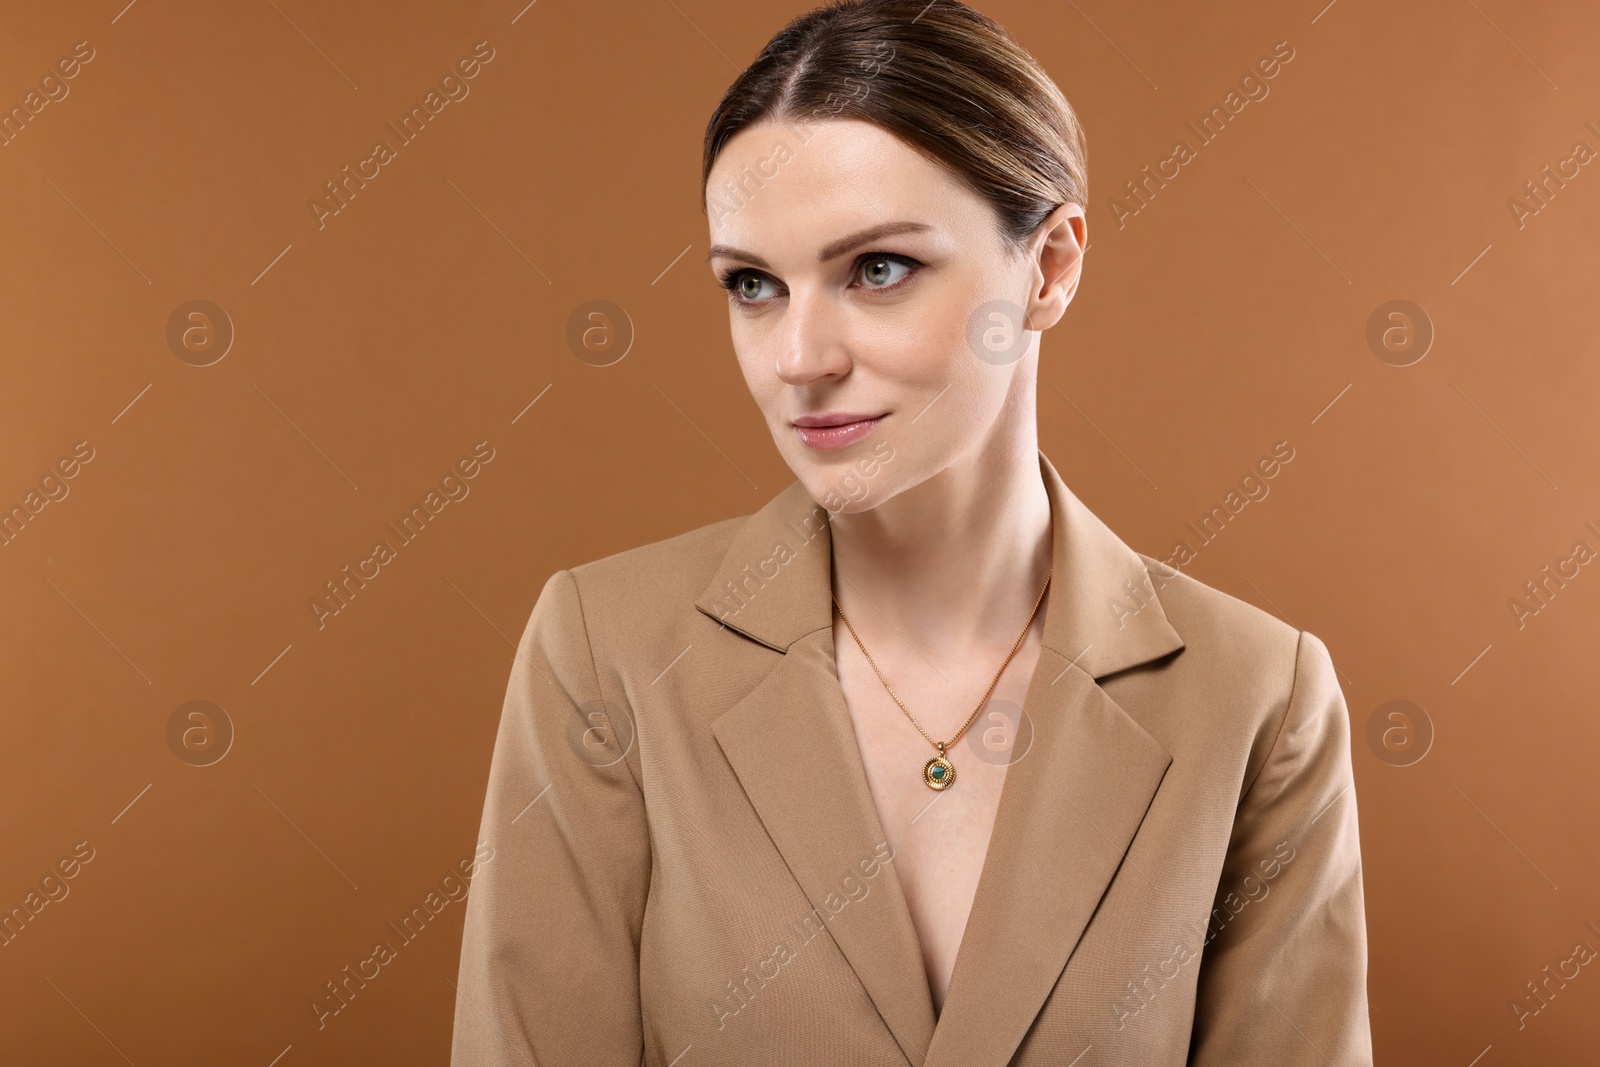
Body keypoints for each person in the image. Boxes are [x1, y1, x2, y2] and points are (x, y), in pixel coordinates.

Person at [450, 1, 1373, 1063]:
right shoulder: (605, 650)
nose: (797, 356)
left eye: (876, 268)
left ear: (1050, 266)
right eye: (752, 284)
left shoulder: (1255, 693)